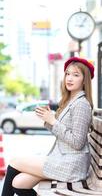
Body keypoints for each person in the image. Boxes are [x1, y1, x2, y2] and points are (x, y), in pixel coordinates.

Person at [1, 56, 94, 196]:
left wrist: (53, 121)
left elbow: (77, 142)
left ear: (84, 79)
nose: (69, 78)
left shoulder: (81, 104)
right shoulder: (71, 101)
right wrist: (47, 119)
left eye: (76, 75)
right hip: (62, 159)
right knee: (19, 183)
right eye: (67, 74)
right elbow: (63, 132)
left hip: (71, 165)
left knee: (14, 161)